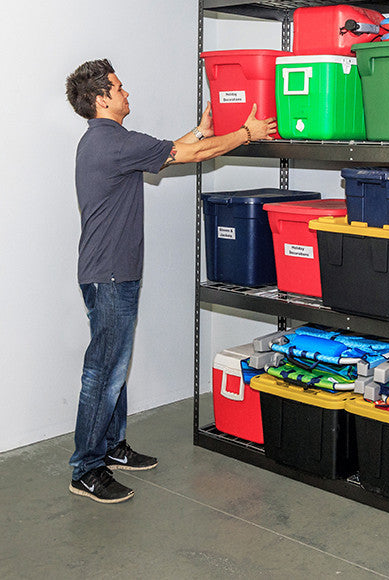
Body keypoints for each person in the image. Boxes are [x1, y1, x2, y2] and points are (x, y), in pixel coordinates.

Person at [65, 58, 276, 504]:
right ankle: (86, 468)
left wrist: (200, 131)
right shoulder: (113, 143)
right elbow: (190, 157)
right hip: (110, 274)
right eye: (120, 88)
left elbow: (175, 148)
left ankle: (111, 447)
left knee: (113, 367)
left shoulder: (107, 141)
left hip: (108, 271)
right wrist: (245, 135)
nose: (127, 94)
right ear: (102, 98)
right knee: (103, 372)